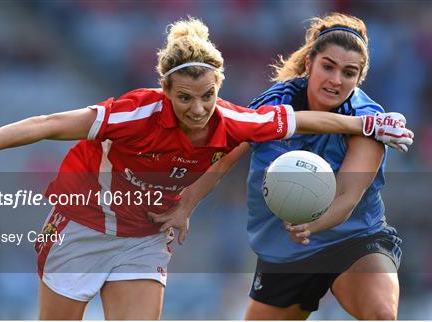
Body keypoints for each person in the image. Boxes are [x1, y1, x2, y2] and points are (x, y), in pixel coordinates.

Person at [0, 17, 412, 320]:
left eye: (208, 97)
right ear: (165, 91)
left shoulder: (232, 117)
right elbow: (48, 123)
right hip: (81, 228)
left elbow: (298, 120)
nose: (198, 110)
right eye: (185, 99)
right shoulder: (132, 113)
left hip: (145, 238)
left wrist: (373, 122)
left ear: (219, 89)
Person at [150, 13, 408, 320]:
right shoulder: (273, 104)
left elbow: (347, 197)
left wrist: (311, 225)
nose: (336, 80)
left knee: (381, 314)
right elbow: (225, 156)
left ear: (359, 78)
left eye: (349, 72)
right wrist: (186, 205)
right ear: (309, 63)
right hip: (287, 251)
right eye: (328, 66)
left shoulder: (369, 122)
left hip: (354, 241)